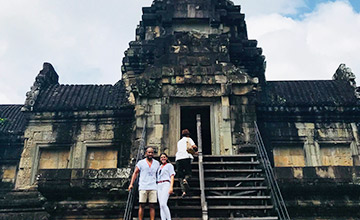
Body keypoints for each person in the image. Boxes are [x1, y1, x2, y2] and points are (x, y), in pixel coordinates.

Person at [128, 147, 160, 220]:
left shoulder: (157, 163)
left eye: (152, 152)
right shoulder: (141, 162)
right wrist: (131, 184)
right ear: (146, 153)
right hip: (143, 186)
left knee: (152, 205)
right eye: (149, 152)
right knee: (142, 205)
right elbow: (135, 173)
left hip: (153, 186)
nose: (150, 154)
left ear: (153, 154)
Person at [175, 129, 197, 197]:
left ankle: (183, 191)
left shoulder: (179, 141)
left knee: (180, 176)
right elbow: (193, 146)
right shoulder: (188, 139)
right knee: (188, 173)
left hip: (178, 158)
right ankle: (186, 179)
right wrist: (195, 150)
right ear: (188, 134)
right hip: (186, 157)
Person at [157, 152, 175, 220]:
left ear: (166, 158)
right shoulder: (159, 167)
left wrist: (171, 187)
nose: (163, 158)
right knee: (161, 205)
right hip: (159, 184)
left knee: (163, 204)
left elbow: (172, 176)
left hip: (166, 184)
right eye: (161, 157)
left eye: (164, 157)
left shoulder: (169, 165)